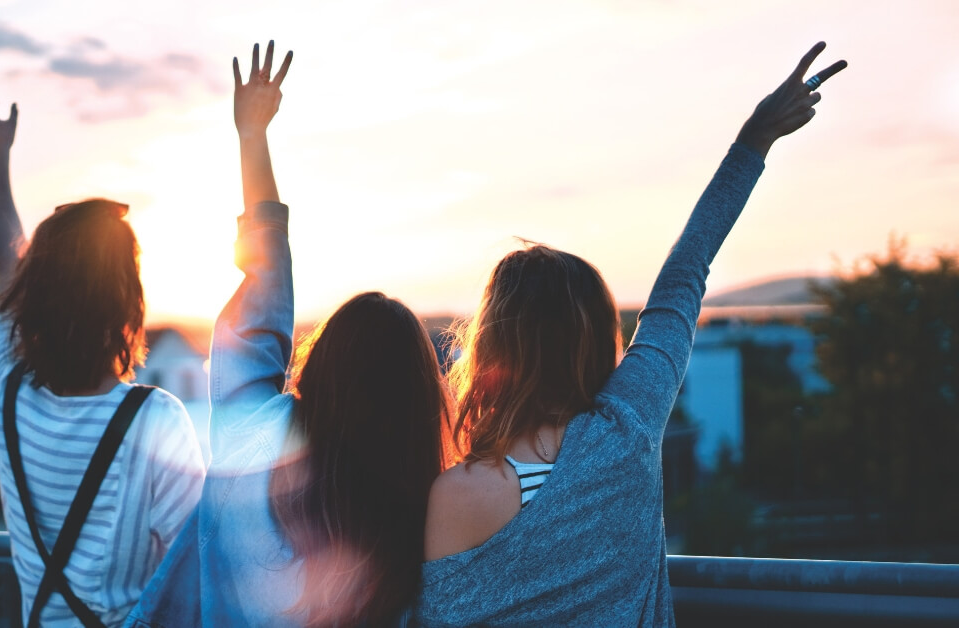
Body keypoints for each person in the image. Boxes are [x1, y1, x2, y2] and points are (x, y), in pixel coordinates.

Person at [416, 43, 847, 626]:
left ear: (492, 345)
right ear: (594, 340)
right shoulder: (627, 428)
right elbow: (682, 279)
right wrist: (754, 140)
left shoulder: (455, 495)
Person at [127, 42, 453, 627]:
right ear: (418, 401)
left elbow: (265, 290)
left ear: (322, 364)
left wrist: (252, 136)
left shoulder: (250, 439)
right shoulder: (424, 521)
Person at [0, 83, 206, 627]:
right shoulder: (156, 421)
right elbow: (194, 579)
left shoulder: (5, 389)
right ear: (127, 304)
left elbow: (9, 263)